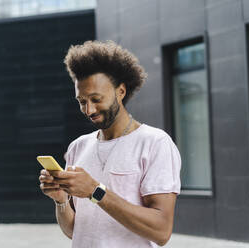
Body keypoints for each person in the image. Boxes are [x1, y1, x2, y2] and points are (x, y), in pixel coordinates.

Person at [38, 40, 181, 248]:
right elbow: (74, 231)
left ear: (120, 91)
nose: (89, 110)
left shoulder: (154, 143)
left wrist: (95, 190)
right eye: (82, 101)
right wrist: (60, 200)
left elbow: (161, 231)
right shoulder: (78, 147)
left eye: (96, 99)